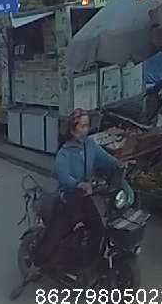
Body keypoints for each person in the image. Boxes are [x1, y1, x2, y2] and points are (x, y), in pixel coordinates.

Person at [32, 108, 122, 278]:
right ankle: (36, 264)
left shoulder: (90, 145)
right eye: (82, 126)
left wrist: (119, 164)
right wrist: (78, 184)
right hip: (68, 201)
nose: (85, 130)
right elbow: (64, 177)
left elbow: (106, 160)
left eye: (87, 126)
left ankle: (85, 263)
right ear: (72, 130)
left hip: (84, 198)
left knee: (98, 229)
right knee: (55, 236)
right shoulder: (64, 153)